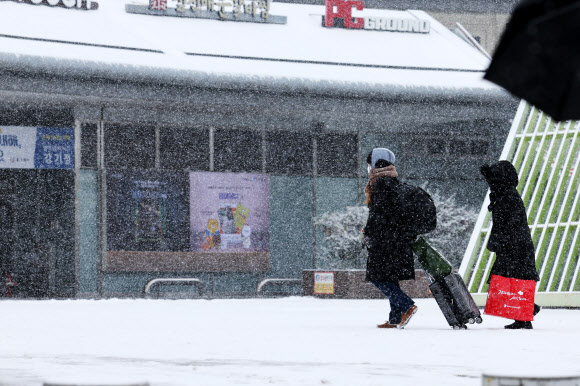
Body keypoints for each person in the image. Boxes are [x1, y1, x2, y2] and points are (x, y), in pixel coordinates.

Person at [481, 160, 541, 329]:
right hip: (513, 246)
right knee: (509, 280)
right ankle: (526, 312)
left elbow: (509, 224)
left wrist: (501, 242)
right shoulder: (505, 195)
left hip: (514, 246)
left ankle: (525, 314)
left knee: (512, 279)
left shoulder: (507, 196)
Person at [362, 148, 418, 329]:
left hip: (385, 241)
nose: (369, 167)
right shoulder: (392, 181)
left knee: (377, 276)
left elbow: (378, 215)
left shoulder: (381, 184)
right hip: (396, 239)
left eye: (370, 163)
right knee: (390, 277)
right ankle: (395, 318)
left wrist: (368, 233)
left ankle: (407, 305)